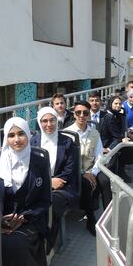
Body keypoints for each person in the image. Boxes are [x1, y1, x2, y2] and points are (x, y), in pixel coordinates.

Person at [0, 117, 51, 266]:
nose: (17, 139)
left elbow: (45, 200)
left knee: (14, 246)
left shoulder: (39, 162)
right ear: (5, 138)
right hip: (0, 221)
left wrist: (23, 218)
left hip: (30, 221)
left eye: (21, 133)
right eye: (11, 135)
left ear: (29, 135)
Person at [31, 107, 78, 251]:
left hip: (63, 186)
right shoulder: (33, 142)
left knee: (51, 206)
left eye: (52, 120)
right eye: (44, 121)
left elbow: (69, 170)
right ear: (39, 123)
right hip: (39, 185)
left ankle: (47, 246)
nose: (49, 124)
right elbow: (30, 168)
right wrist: (47, 182)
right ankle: (34, 242)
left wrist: (54, 182)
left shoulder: (67, 142)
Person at [65, 101, 111, 234]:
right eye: (78, 112)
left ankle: (109, 216)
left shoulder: (94, 133)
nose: (81, 115)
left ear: (89, 115)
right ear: (74, 114)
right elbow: (68, 159)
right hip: (75, 171)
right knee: (84, 183)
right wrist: (83, 172)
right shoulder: (68, 133)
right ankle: (91, 219)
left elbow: (99, 156)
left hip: (92, 169)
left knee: (105, 180)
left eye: (85, 113)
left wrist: (93, 172)